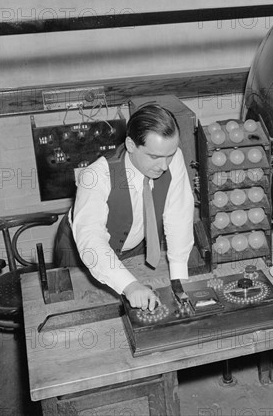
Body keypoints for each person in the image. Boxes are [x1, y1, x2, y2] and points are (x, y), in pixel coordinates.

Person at [54, 104, 194, 311]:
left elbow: (179, 216)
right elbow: (91, 239)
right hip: (81, 254)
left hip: (132, 248)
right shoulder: (95, 176)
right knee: (85, 313)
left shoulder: (171, 157)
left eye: (170, 155)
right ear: (130, 144)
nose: (164, 166)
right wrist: (129, 285)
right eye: (154, 157)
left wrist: (179, 277)